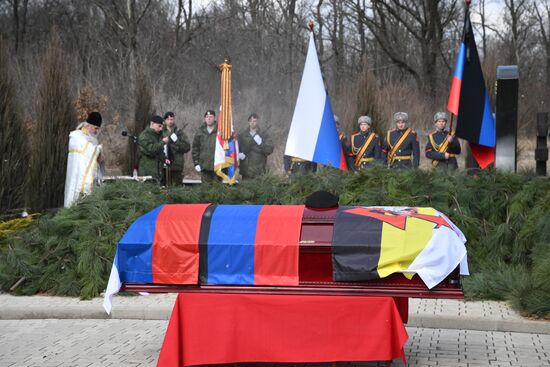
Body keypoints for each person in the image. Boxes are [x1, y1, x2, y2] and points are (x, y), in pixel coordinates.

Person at [64, 112, 104, 208]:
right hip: (76, 176)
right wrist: (99, 149)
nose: (96, 132)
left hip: (89, 178)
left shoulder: (92, 139)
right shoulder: (76, 136)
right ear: (88, 126)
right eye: (96, 128)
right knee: (74, 201)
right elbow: (89, 152)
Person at [238, 113, 274, 179]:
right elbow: (236, 147)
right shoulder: (242, 135)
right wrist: (239, 154)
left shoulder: (264, 135)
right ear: (248, 122)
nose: (252, 123)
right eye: (251, 121)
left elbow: (269, 150)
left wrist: (261, 144)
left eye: (254, 121)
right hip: (246, 171)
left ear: (257, 122)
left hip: (259, 171)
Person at [138, 115, 170, 181]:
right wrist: (163, 142)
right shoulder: (144, 136)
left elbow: (160, 151)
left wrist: (164, 159)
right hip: (147, 173)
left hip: (157, 173)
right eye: (159, 126)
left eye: (162, 126)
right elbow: (152, 150)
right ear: (152, 124)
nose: (161, 129)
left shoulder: (158, 136)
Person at [162, 112, 191, 185]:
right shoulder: (161, 132)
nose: (170, 121)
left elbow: (187, 147)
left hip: (176, 165)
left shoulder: (179, 132)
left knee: (176, 187)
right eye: (168, 119)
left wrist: (176, 142)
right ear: (165, 120)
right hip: (163, 165)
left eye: (172, 119)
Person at [192, 110, 218, 183]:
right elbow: (195, 148)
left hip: (217, 166)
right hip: (204, 166)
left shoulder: (220, 131)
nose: (209, 119)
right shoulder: (200, 131)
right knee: (205, 190)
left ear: (215, 118)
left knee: (218, 191)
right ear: (204, 119)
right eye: (207, 117)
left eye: (211, 117)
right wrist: (196, 163)